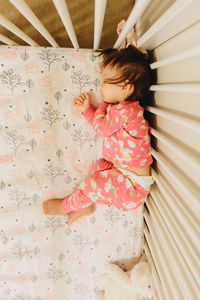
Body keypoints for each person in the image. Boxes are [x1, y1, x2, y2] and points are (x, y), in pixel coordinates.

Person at [43, 45, 154, 225]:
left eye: (106, 81)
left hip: (132, 187)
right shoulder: (123, 111)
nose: (100, 86)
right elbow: (103, 125)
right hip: (123, 174)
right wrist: (90, 111)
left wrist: (99, 106)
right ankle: (86, 204)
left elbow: (101, 128)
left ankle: (66, 206)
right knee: (98, 169)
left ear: (126, 88)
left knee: (91, 184)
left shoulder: (127, 111)